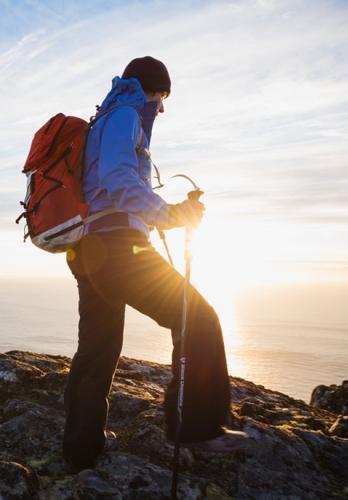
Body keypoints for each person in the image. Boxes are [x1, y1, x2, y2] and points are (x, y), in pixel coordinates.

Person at [62, 56, 251, 471]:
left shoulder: (106, 116)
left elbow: (109, 183)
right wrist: (171, 215)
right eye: (161, 96)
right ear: (149, 90)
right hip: (118, 247)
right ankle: (199, 429)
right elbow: (118, 179)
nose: (161, 108)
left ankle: (80, 449)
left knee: (97, 348)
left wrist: (168, 212)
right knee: (197, 317)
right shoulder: (127, 113)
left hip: (91, 247)